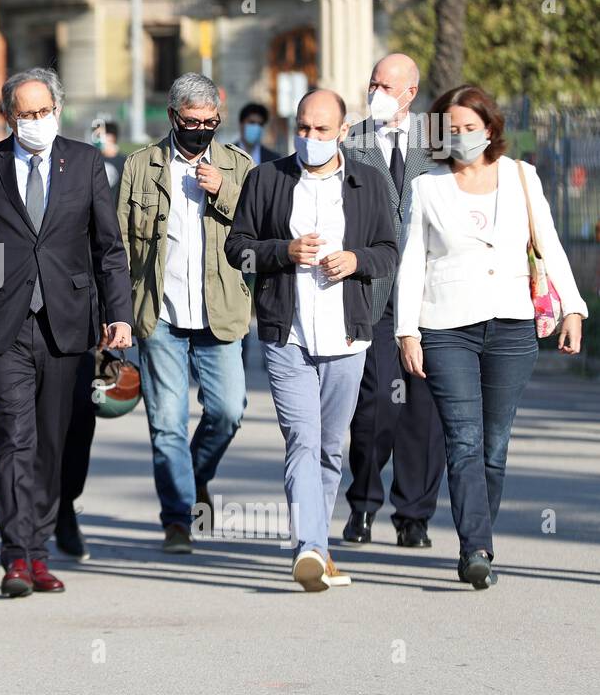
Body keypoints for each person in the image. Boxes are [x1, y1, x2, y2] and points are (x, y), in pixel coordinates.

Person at [0, 67, 132, 597]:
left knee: (53, 442)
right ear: (8, 118)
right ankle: (16, 558)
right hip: (5, 323)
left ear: (58, 110)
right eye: (25, 114)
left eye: (43, 112)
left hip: (68, 324)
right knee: (14, 438)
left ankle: (40, 550)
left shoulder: (86, 162)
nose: (36, 121)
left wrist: (120, 315)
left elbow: (109, 249)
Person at [396, 84, 587, 589]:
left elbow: (549, 244)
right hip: (445, 326)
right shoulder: (427, 187)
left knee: (494, 445)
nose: (462, 137)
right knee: (463, 439)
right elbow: (412, 260)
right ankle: (475, 547)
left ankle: (478, 532)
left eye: (470, 127)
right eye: (452, 130)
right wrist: (406, 330)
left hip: (511, 323)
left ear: (490, 128)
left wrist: (574, 308)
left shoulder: (523, 177)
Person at [225, 89, 397, 592]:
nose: (311, 138)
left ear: (344, 131)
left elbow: (389, 252)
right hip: (286, 335)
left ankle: (319, 549)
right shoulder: (267, 180)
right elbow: (240, 251)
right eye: (303, 128)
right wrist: (285, 251)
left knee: (328, 448)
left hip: (347, 338)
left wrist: (355, 262)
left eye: (322, 130)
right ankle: (311, 549)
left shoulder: (368, 183)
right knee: (302, 440)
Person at [116, 73, 253, 554]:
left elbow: (260, 232)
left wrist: (225, 192)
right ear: (173, 116)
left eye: (210, 121)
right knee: (167, 423)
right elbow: (118, 248)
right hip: (160, 314)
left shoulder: (239, 166)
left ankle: (195, 478)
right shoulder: (140, 166)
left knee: (228, 410)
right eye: (192, 121)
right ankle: (177, 517)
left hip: (221, 313)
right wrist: (112, 317)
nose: (201, 129)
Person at [341, 53, 446, 548]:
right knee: (379, 402)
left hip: (429, 295)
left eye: (387, 86)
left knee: (422, 410)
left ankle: (414, 516)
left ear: (411, 92)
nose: (376, 91)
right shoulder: (351, 141)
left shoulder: (441, 138)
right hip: (375, 293)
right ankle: (362, 504)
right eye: (373, 83)